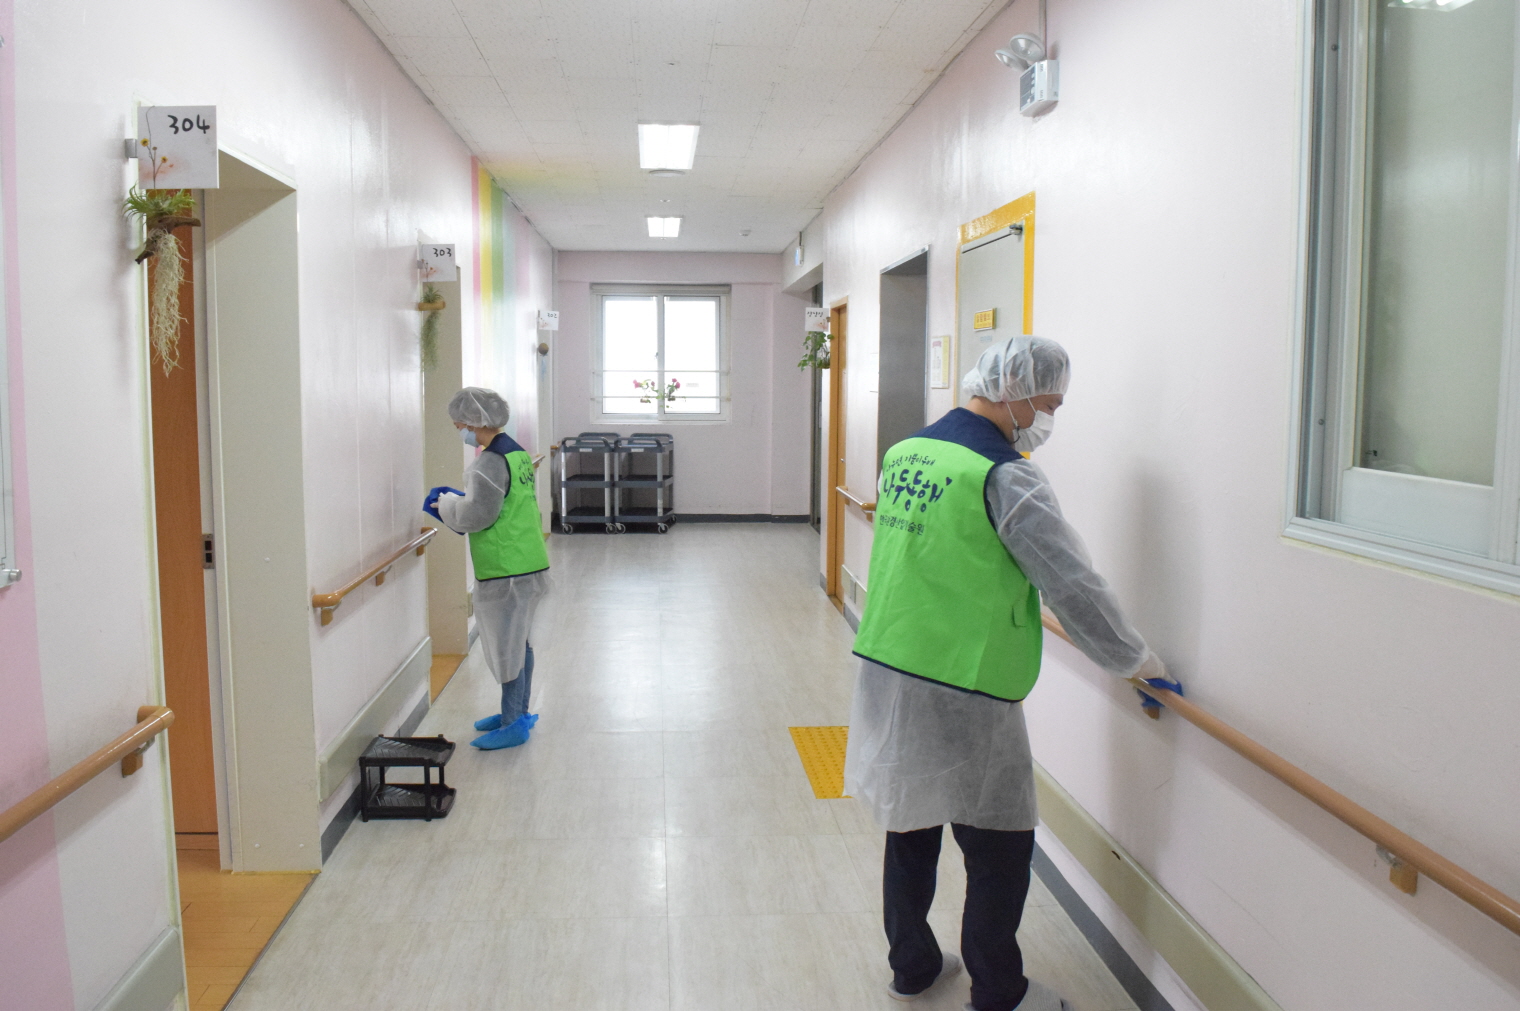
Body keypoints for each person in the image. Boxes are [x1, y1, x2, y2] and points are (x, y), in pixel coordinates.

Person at [843, 335, 1182, 1011]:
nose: (1048, 418)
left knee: (910, 823)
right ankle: (999, 992)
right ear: (1013, 391)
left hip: (890, 661)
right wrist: (1136, 661)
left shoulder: (908, 451)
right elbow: (1070, 583)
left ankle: (912, 966)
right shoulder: (1004, 476)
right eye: (1048, 404)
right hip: (962, 682)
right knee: (999, 843)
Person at [423, 387, 551, 750]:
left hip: (505, 567)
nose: (459, 430)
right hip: (528, 559)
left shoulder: (490, 462)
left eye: (459, 425)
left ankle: (513, 723)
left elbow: (478, 517)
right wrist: (461, 499)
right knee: (519, 642)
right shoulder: (516, 453)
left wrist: (446, 504)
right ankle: (516, 712)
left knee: (507, 647)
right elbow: (504, 503)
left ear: (472, 421)